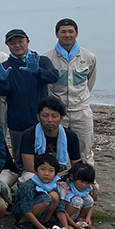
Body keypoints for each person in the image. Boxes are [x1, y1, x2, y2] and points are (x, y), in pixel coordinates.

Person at [0, 29, 59, 157]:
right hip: (17, 120)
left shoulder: (42, 61)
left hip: (42, 119)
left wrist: (38, 71)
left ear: (27, 41)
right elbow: (3, 92)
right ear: (8, 45)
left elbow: (53, 77)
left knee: (46, 155)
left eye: (20, 42)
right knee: (20, 157)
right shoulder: (5, 66)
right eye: (12, 43)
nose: (17, 45)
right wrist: (1, 81)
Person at [44, 18, 98, 165]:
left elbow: (89, 82)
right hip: (57, 113)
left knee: (85, 149)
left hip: (81, 111)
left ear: (76, 33)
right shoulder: (47, 58)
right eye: (63, 32)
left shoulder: (89, 57)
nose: (67, 35)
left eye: (70, 32)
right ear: (57, 34)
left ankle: (86, 182)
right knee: (53, 148)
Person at [19, 97, 81, 181]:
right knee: (27, 178)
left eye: (54, 116)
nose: (50, 120)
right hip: (36, 172)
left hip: (60, 172)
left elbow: (76, 164)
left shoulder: (70, 136)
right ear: (38, 117)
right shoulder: (29, 135)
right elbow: (29, 165)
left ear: (61, 118)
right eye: (45, 116)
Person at [14, 153, 70, 229]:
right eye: (43, 169)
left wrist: (65, 227)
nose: (46, 173)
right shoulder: (29, 185)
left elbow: (60, 207)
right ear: (36, 170)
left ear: (55, 174)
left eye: (51, 170)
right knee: (45, 199)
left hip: (39, 213)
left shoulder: (52, 186)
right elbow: (26, 209)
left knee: (54, 196)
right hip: (22, 213)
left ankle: (44, 221)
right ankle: (22, 223)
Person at [60, 162, 97, 229]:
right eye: (81, 181)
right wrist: (74, 225)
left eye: (88, 183)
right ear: (72, 177)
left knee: (89, 199)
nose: (84, 185)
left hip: (74, 215)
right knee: (77, 200)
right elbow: (61, 208)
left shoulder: (87, 189)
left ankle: (80, 219)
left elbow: (91, 204)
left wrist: (88, 218)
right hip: (62, 215)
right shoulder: (64, 188)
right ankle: (63, 223)